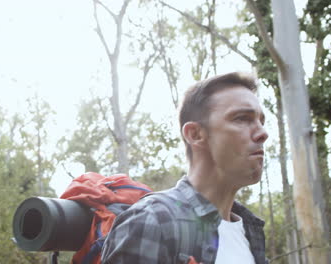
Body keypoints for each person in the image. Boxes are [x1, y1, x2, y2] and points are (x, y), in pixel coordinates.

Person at [100, 72, 269, 264]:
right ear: (195, 134)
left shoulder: (250, 231)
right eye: (241, 118)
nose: (263, 133)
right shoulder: (152, 221)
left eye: (261, 121)